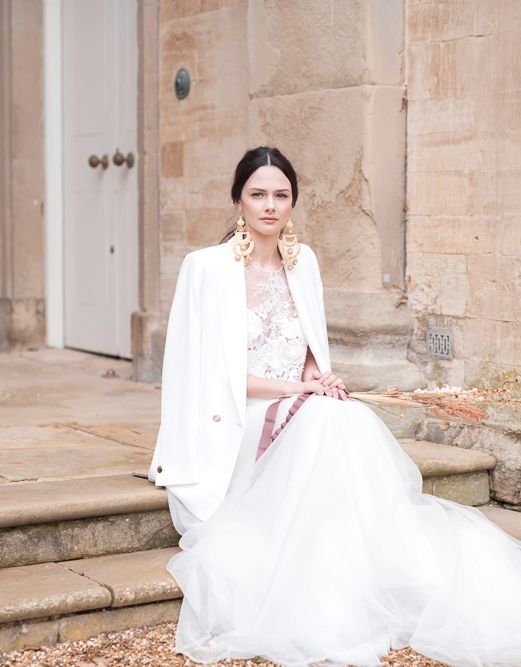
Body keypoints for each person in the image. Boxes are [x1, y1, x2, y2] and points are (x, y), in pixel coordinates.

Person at [147, 146, 521, 667]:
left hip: (292, 405)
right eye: (258, 195)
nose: (270, 206)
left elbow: (305, 356)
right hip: (233, 418)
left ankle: (373, 559)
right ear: (238, 201)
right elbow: (207, 376)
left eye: (281, 195)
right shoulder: (204, 268)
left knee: (346, 416)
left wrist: (316, 377)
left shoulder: (304, 263)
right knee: (326, 418)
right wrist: (298, 393)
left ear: (293, 202)